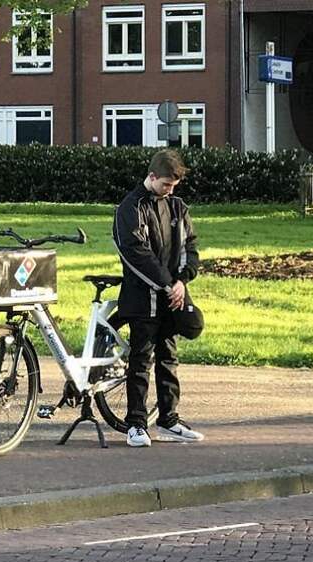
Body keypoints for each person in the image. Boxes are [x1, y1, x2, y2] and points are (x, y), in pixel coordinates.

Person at [113, 149, 204, 448]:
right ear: (152, 177)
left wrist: (182, 280)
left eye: (173, 186)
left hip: (172, 296)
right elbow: (135, 253)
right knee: (141, 359)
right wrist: (167, 284)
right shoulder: (131, 207)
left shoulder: (178, 208)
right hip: (142, 299)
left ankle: (169, 419)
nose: (170, 190)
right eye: (166, 184)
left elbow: (190, 246)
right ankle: (136, 424)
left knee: (169, 357)